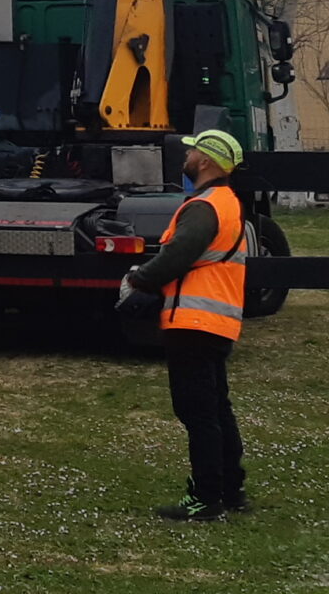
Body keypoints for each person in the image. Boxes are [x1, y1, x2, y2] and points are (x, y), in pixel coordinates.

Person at [116, 128, 250, 521]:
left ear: (205, 161)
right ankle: (231, 490)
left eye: (192, 151)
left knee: (197, 412)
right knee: (216, 407)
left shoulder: (204, 207)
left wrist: (138, 279)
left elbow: (177, 256)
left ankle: (207, 497)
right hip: (215, 322)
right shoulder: (226, 203)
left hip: (193, 322)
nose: (186, 156)